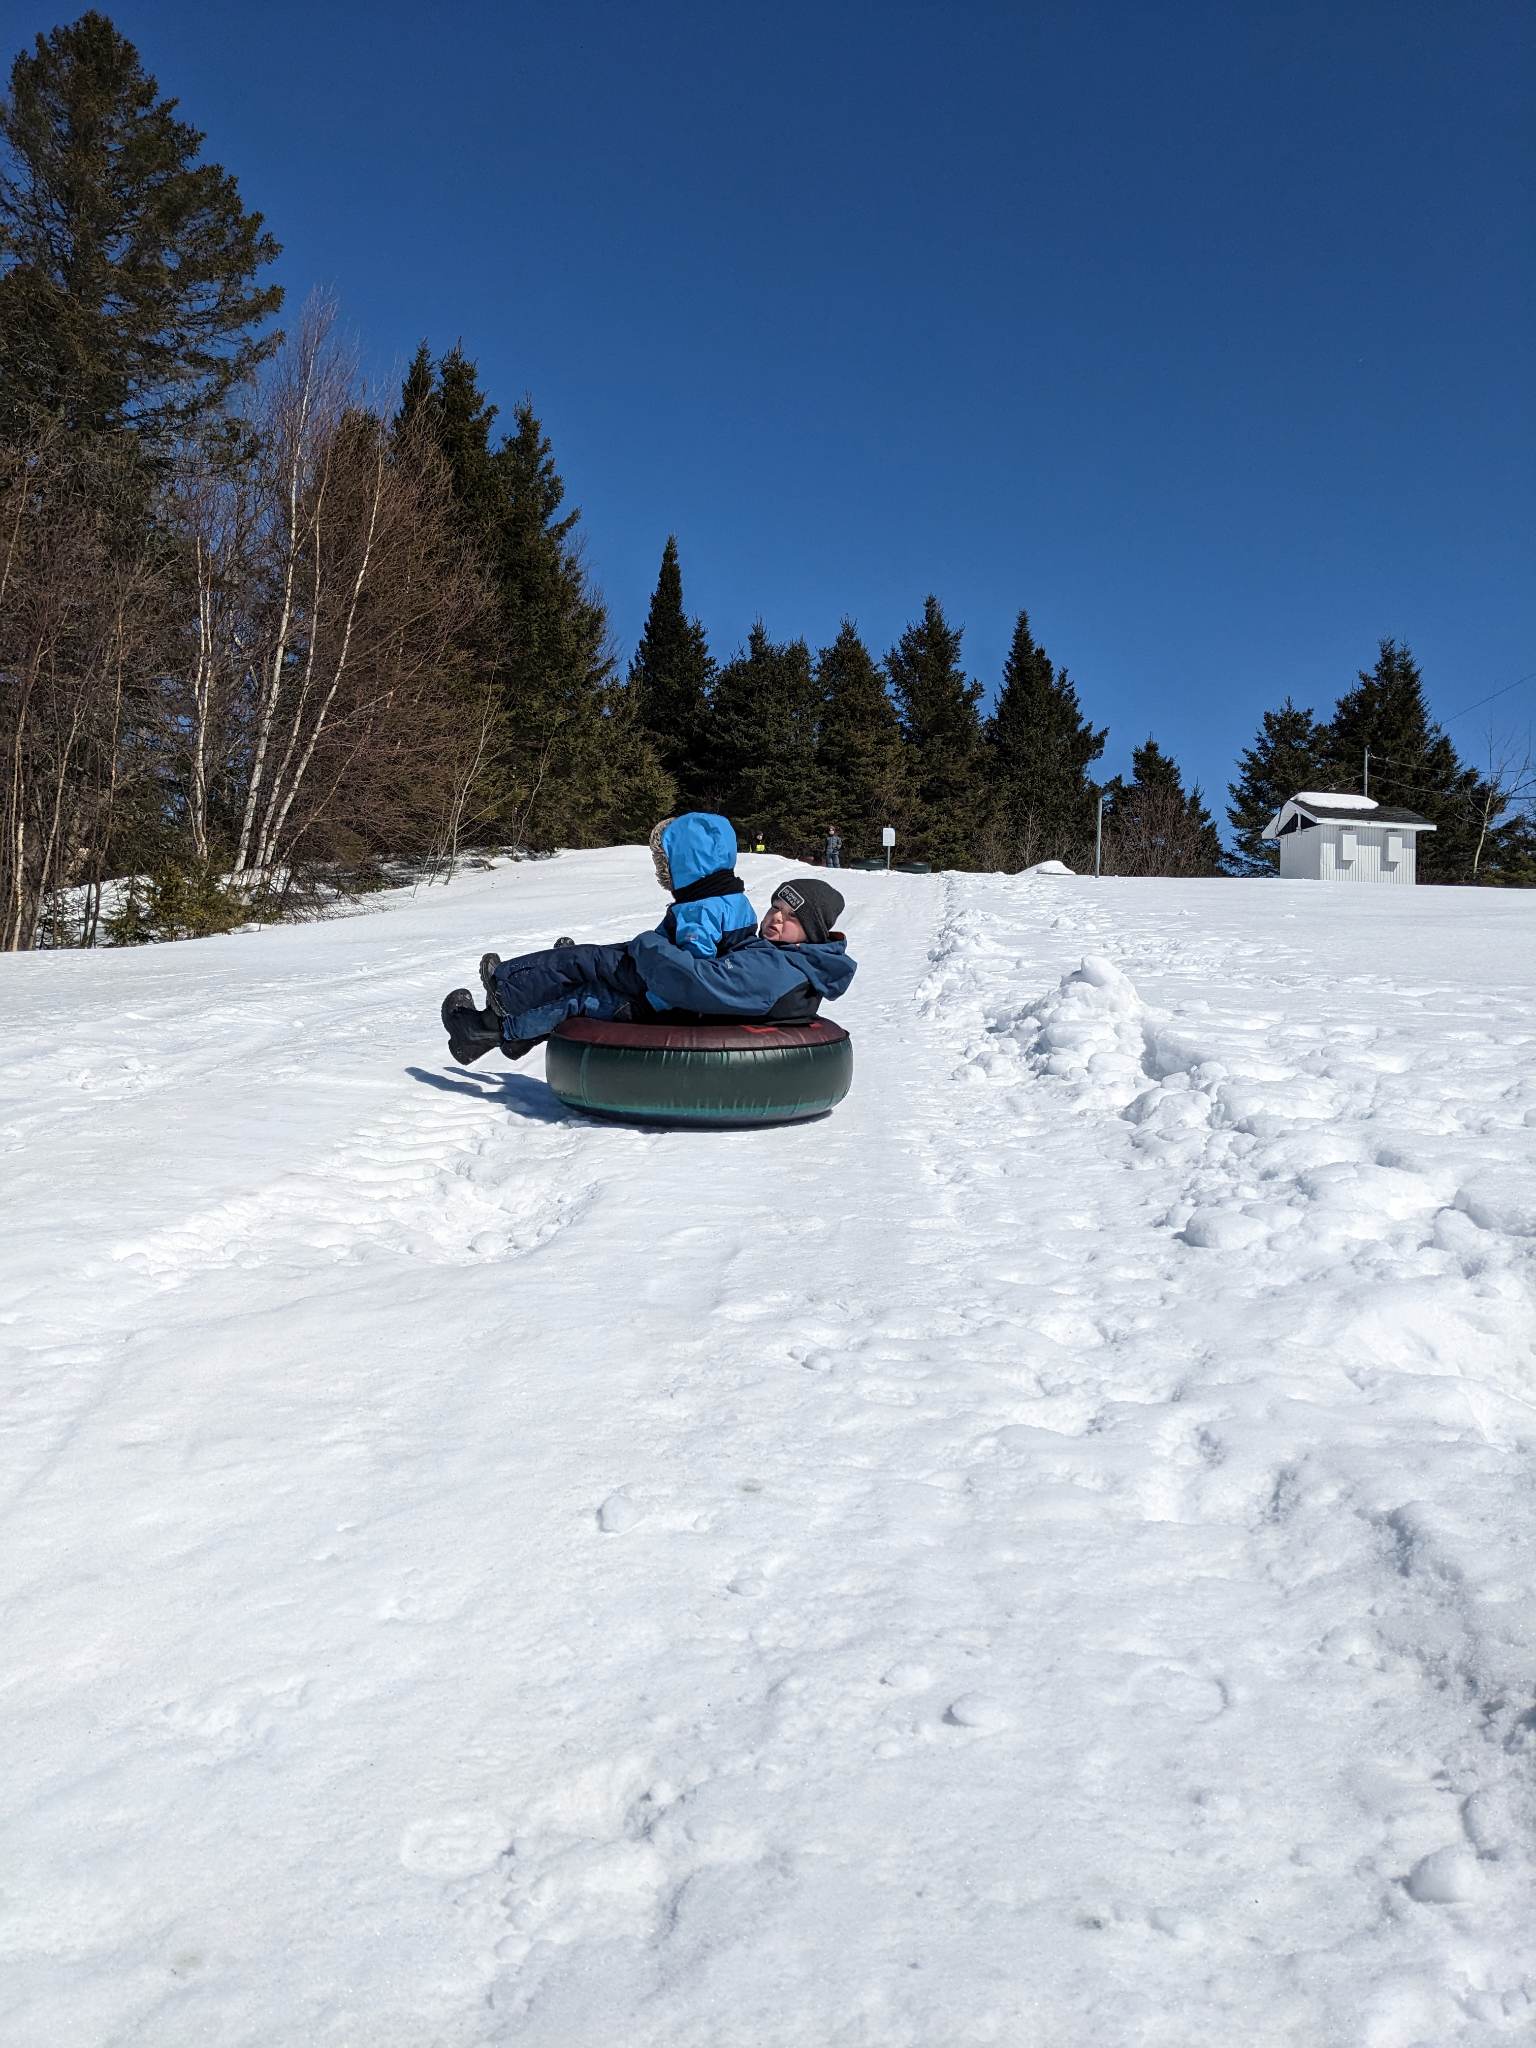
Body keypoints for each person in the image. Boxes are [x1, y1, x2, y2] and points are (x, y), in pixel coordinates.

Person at [441, 878, 854, 1066]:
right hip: (687, 1006)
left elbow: (698, 982)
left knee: (587, 996)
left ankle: (489, 1028)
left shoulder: (776, 968)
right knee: (592, 979)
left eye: (790, 917)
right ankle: (502, 1032)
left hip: (677, 1009)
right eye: (774, 909)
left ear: (811, 932)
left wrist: (651, 946)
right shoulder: (788, 959)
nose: (776, 920)